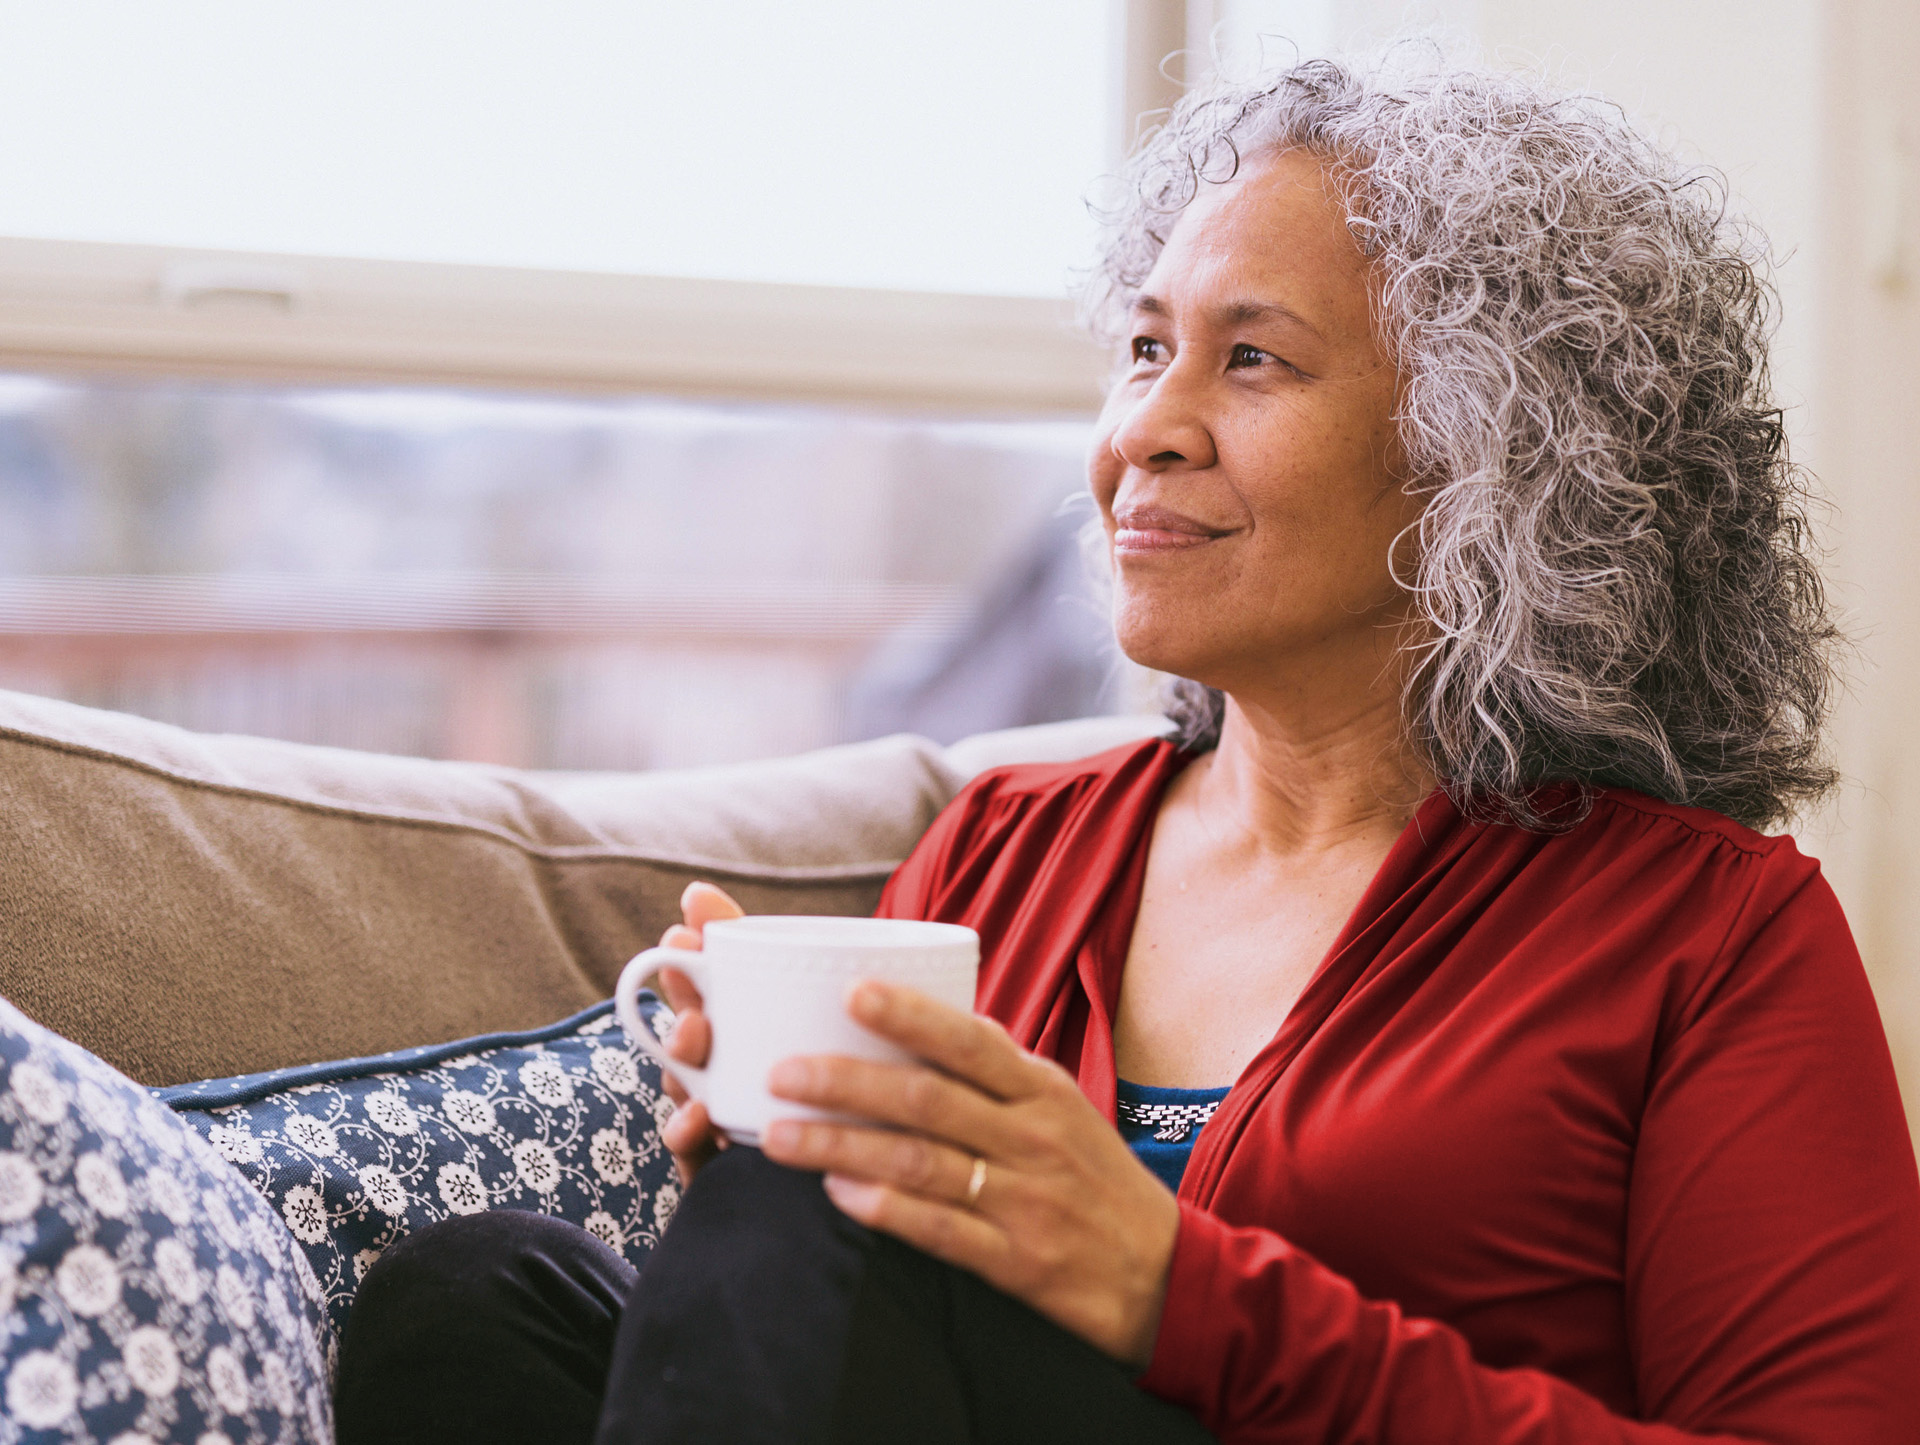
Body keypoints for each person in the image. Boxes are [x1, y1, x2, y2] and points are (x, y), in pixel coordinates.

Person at [332, 53, 1920, 1445]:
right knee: (475, 1302)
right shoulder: (1006, 844)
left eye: (1253, 358)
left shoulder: (1708, 935)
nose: (1145, 428)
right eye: (1145, 347)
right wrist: (762, 1175)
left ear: (1493, 457)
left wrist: (1180, 1293)